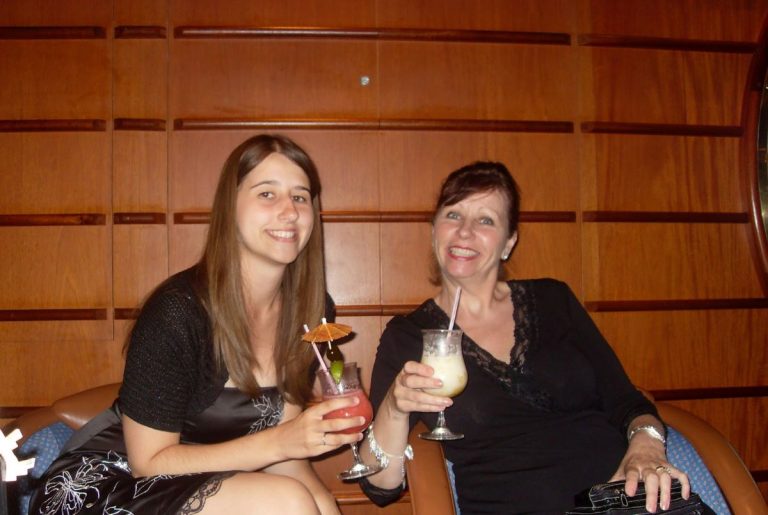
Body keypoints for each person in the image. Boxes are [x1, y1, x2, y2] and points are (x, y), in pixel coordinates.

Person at [29, 134, 363, 515]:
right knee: (286, 502)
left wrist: (325, 504)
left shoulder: (312, 311)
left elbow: (283, 450)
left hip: (207, 483)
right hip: (111, 482)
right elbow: (149, 462)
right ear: (229, 206)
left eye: (300, 197)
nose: (289, 211)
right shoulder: (177, 312)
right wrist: (284, 444)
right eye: (267, 194)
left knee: (310, 504)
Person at [359, 161, 692, 514]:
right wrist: (395, 408)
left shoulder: (554, 300)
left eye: (486, 220)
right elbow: (380, 487)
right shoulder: (408, 336)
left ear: (509, 242)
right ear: (434, 230)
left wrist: (646, 444)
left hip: (621, 500)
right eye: (453, 215)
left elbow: (626, 400)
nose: (465, 232)